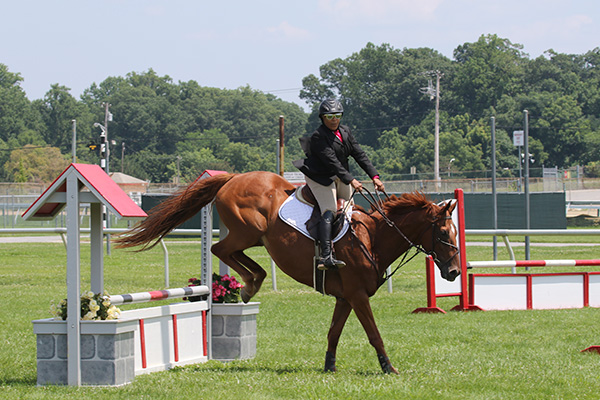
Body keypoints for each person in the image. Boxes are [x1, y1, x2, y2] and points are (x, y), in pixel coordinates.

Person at [293, 98, 385, 270]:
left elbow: (359, 154)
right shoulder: (318, 136)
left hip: (340, 175)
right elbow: (332, 162)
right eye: (329, 116)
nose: (334, 119)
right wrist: (352, 180)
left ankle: (350, 249)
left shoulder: (345, 131)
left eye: (337, 115)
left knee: (350, 210)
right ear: (322, 117)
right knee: (330, 210)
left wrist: (375, 177)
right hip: (320, 176)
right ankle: (325, 256)